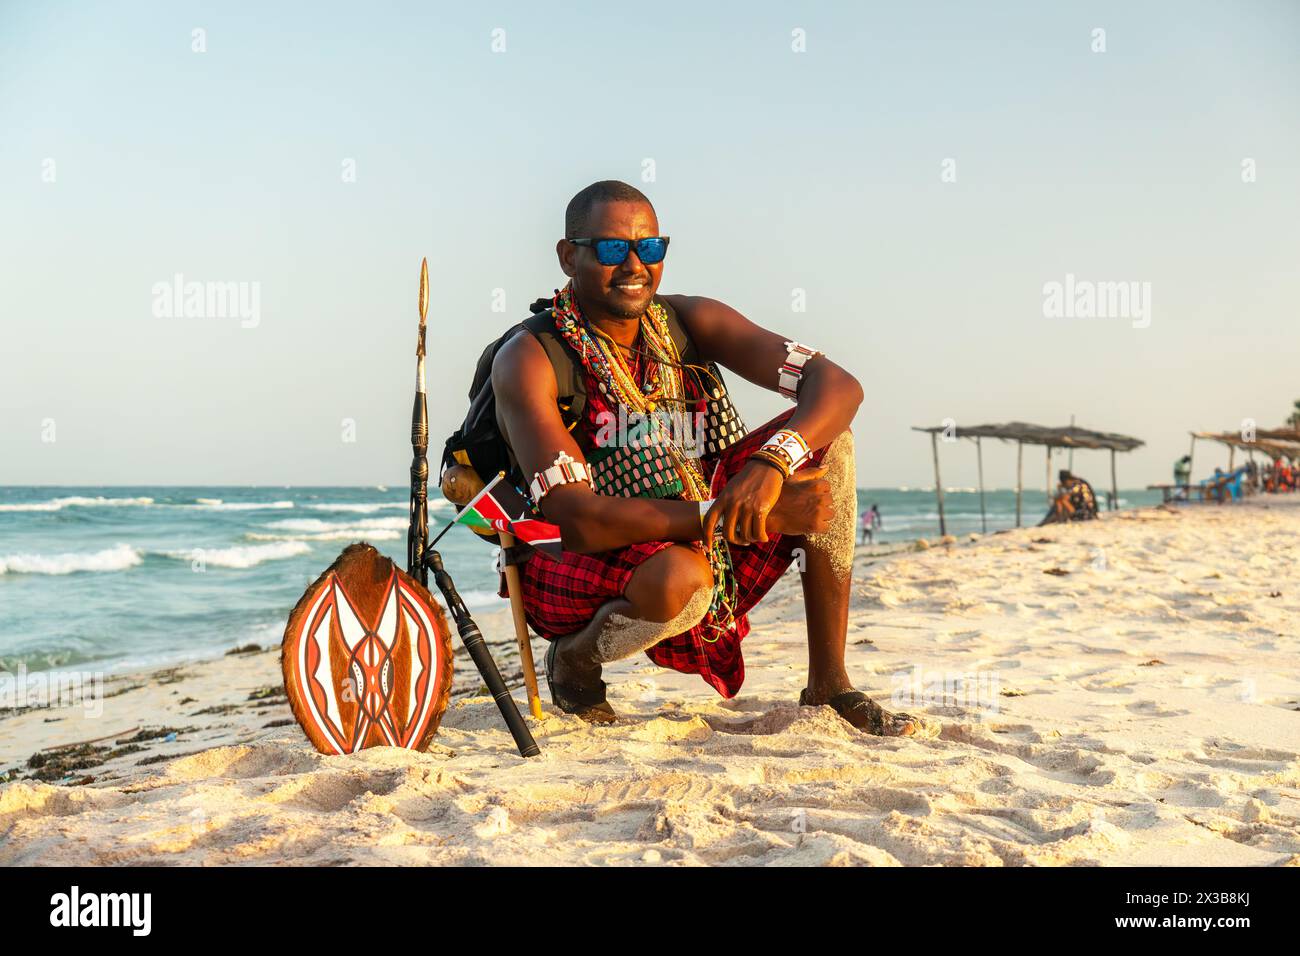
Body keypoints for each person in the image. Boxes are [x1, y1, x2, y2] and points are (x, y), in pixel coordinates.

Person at [491, 181, 933, 737]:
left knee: (828, 444)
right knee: (682, 577)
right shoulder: (532, 357)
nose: (634, 265)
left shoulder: (689, 322)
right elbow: (574, 518)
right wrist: (744, 514)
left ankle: (829, 683)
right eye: (610, 249)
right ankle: (576, 661)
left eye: (649, 248)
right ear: (567, 255)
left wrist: (769, 466)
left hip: (694, 519)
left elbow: (837, 385)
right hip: (568, 555)